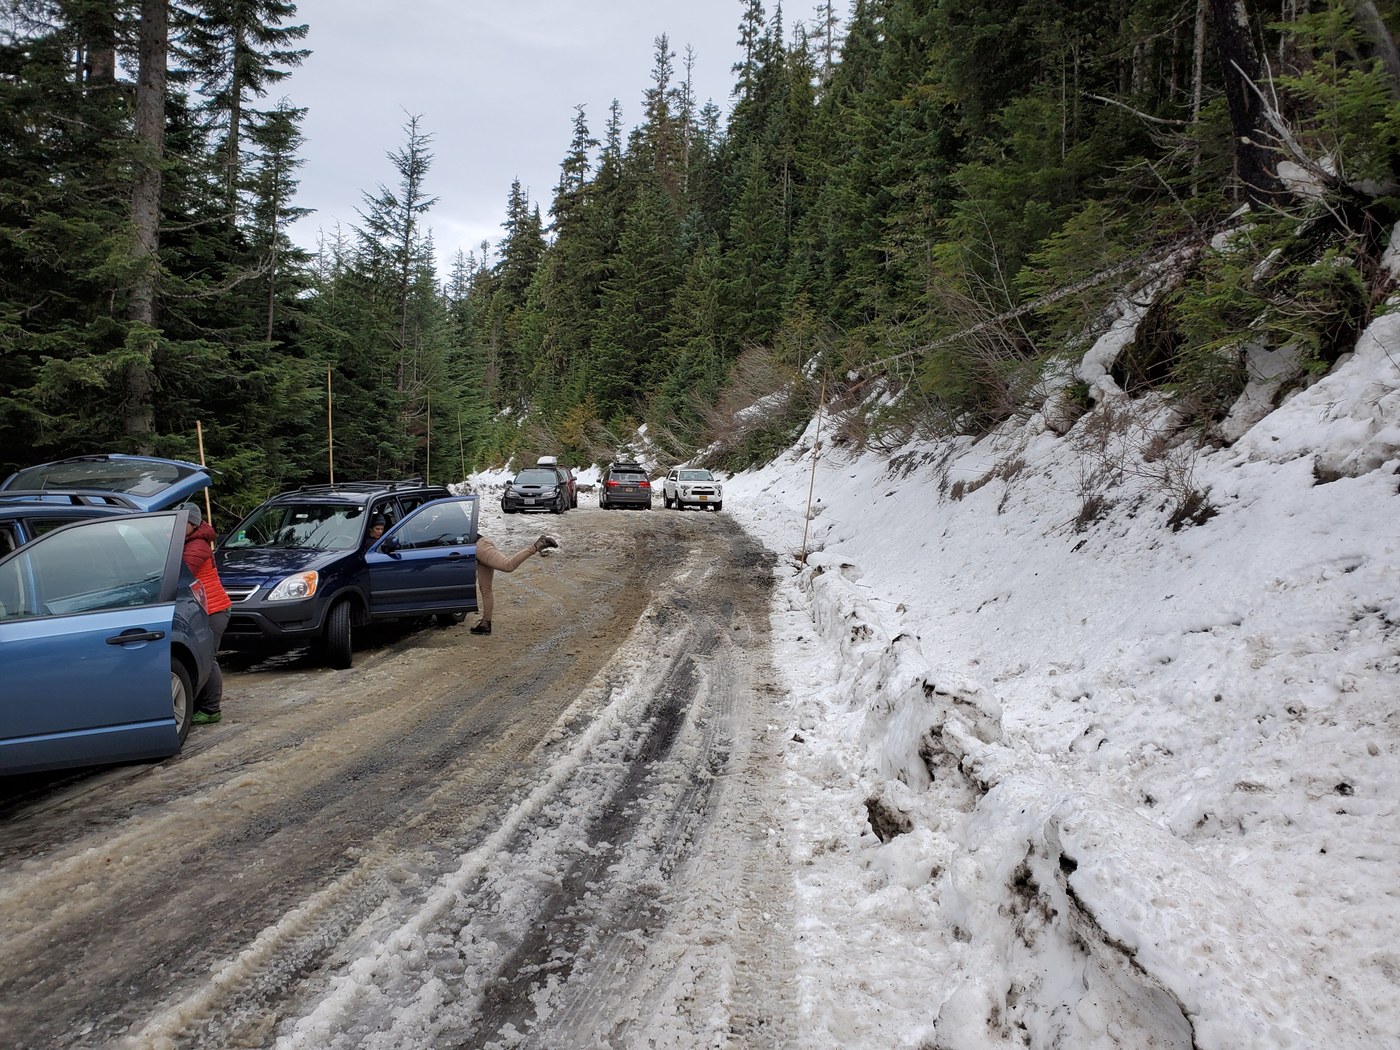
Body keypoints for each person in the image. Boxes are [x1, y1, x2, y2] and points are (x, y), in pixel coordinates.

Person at [182, 503, 232, 725]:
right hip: (205, 609)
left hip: (213, 610)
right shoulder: (191, 541)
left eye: (183, 523)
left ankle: (212, 710)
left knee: (208, 659)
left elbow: (181, 573)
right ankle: (203, 706)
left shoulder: (197, 546)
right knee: (203, 658)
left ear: (193, 524)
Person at [471, 533, 559, 635]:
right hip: (475, 547)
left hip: (479, 546)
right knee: (485, 588)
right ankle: (485, 624)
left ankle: (537, 545)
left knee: (508, 565)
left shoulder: (451, 522)